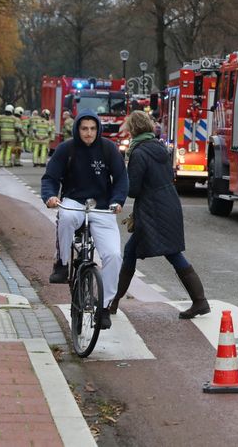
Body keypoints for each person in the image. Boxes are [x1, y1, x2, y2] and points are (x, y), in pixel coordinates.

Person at [109, 111, 209, 319]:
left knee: (169, 253)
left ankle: (113, 301)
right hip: (168, 203)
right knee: (140, 251)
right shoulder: (159, 147)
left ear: (133, 129)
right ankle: (114, 301)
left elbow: (134, 189)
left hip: (151, 209)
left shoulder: (138, 153)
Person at [41, 111, 128, 329]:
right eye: (84, 129)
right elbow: (50, 177)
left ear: (97, 129)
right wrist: (50, 196)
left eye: (92, 128)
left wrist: (117, 201)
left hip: (101, 206)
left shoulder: (108, 149)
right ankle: (62, 263)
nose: (88, 133)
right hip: (74, 201)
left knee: (114, 256)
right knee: (66, 216)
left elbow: (120, 179)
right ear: (77, 129)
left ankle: (105, 306)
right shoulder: (66, 149)